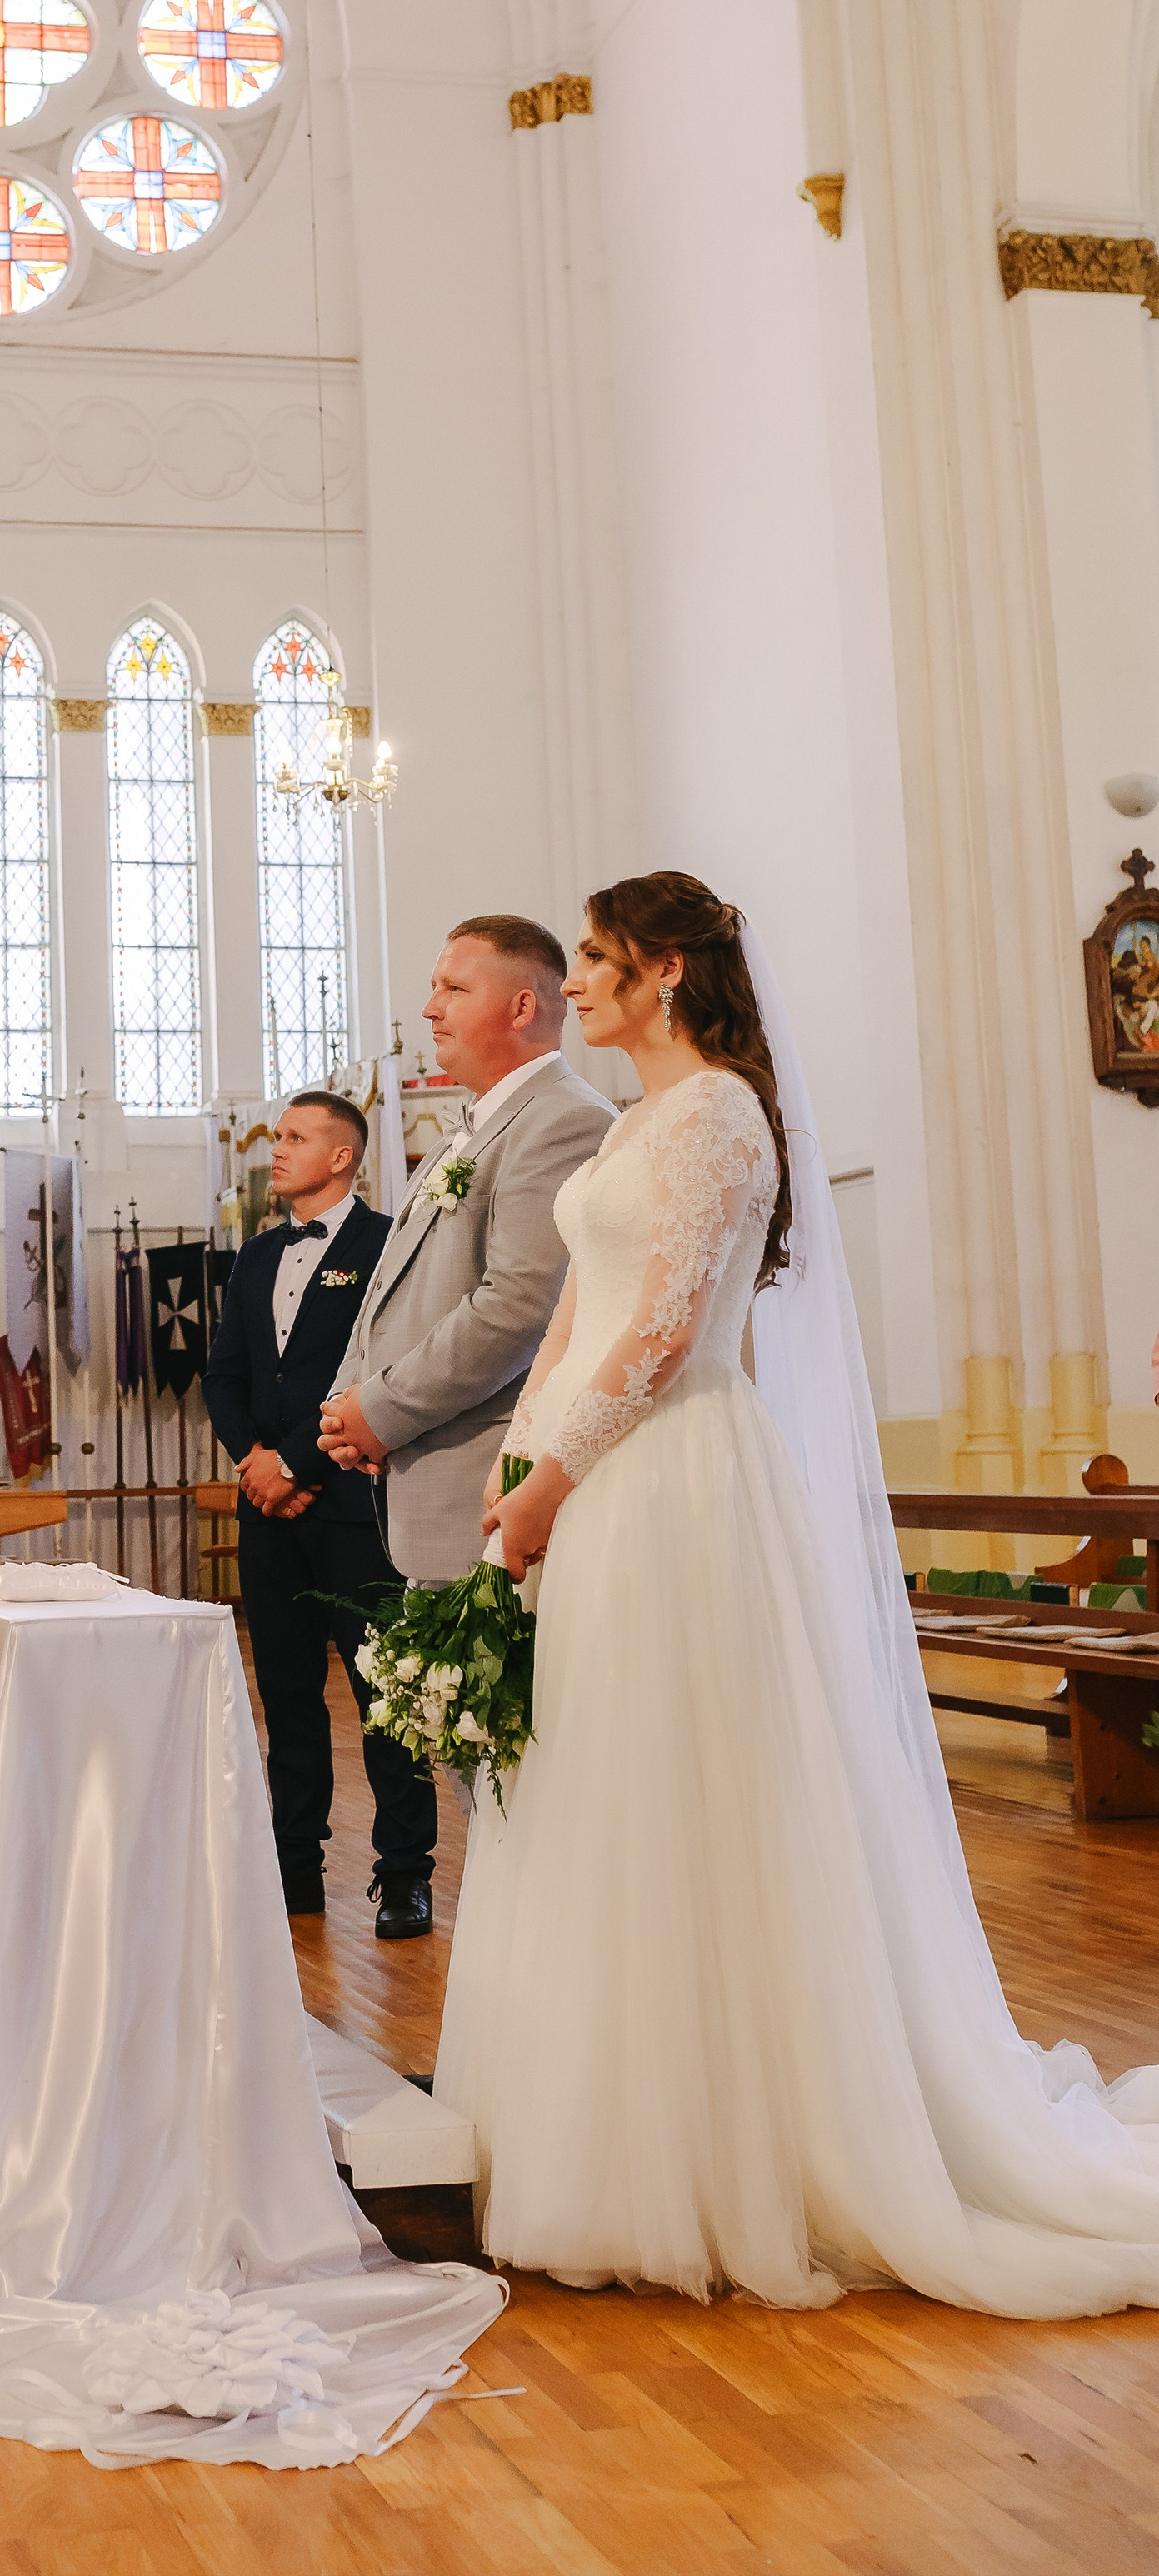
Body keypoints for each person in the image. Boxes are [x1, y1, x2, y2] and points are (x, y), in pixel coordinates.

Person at [439, 868, 1159, 2313]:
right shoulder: (636, 1121)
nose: (573, 981)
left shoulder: (717, 1114)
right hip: (589, 1485)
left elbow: (665, 1337)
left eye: (592, 957)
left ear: (663, 970)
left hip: (669, 1483)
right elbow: (578, 1314)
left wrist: (551, 1481)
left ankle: (729, 2153)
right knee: (593, 1794)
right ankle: (594, 2132)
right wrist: (515, 1464)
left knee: (684, 1801)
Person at [317, 916, 614, 1589]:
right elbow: (394, 1285)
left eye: (453, 987)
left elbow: (519, 1307)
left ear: (521, 1007)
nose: (429, 1008)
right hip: (425, 1476)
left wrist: (381, 1410)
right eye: (433, 987)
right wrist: (349, 1398)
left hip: (486, 1473)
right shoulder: (471, 1125)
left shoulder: (564, 1120)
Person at [202, 1091, 429, 1933]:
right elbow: (224, 1372)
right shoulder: (257, 1253)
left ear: (342, 1156)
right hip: (268, 1514)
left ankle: (403, 1871)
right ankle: (293, 1867)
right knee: (287, 1696)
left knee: (385, 1697)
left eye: (296, 1138)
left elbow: (377, 1366)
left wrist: (294, 1459)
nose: (278, 1150)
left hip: (349, 1502)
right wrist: (252, 1463)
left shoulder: (387, 1245)